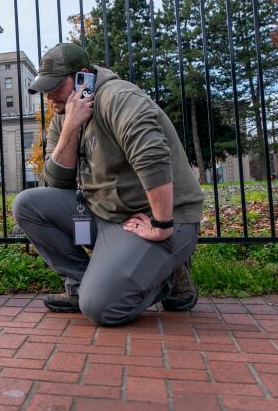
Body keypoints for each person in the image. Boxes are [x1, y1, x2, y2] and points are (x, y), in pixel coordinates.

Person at [12, 43, 202, 326]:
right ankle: (81, 285)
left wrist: (162, 225)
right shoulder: (64, 117)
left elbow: (151, 154)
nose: (48, 96)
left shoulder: (118, 96)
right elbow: (55, 182)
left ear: (83, 77)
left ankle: (168, 277)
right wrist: (70, 129)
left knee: (103, 308)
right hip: (107, 216)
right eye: (44, 88)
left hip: (156, 219)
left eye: (55, 86)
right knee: (27, 205)